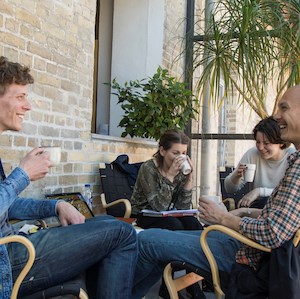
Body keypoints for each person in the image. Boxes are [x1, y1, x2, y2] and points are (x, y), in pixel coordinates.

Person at [132, 85, 300, 299]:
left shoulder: (297, 165)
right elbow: (282, 219)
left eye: (284, 107)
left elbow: (274, 232)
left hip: (249, 256)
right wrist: (241, 213)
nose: (276, 115)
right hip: (246, 243)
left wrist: (223, 218)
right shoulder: (149, 168)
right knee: (163, 236)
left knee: (149, 240)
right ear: (162, 151)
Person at [0, 56, 137, 299]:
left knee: (108, 224)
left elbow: (7, 207)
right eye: (20, 96)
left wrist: (56, 205)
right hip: (8, 256)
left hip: (12, 246)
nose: (28, 105)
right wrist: (23, 175)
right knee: (122, 235)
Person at [130, 129, 202, 230]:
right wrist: (170, 177)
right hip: (144, 214)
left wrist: (189, 179)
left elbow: (183, 208)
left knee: (192, 222)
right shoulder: (149, 168)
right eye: (176, 153)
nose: (180, 157)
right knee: (173, 224)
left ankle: (201, 245)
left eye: (183, 153)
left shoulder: (181, 170)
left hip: (169, 213)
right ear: (163, 151)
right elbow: (159, 207)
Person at [225, 116, 295, 208]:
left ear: (281, 142)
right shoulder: (253, 153)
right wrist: (236, 176)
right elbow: (229, 189)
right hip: (257, 208)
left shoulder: (292, 156)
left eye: (266, 143)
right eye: (258, 142)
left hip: (284, 208)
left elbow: (292, 192)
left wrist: (259, 191)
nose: (261, 147)